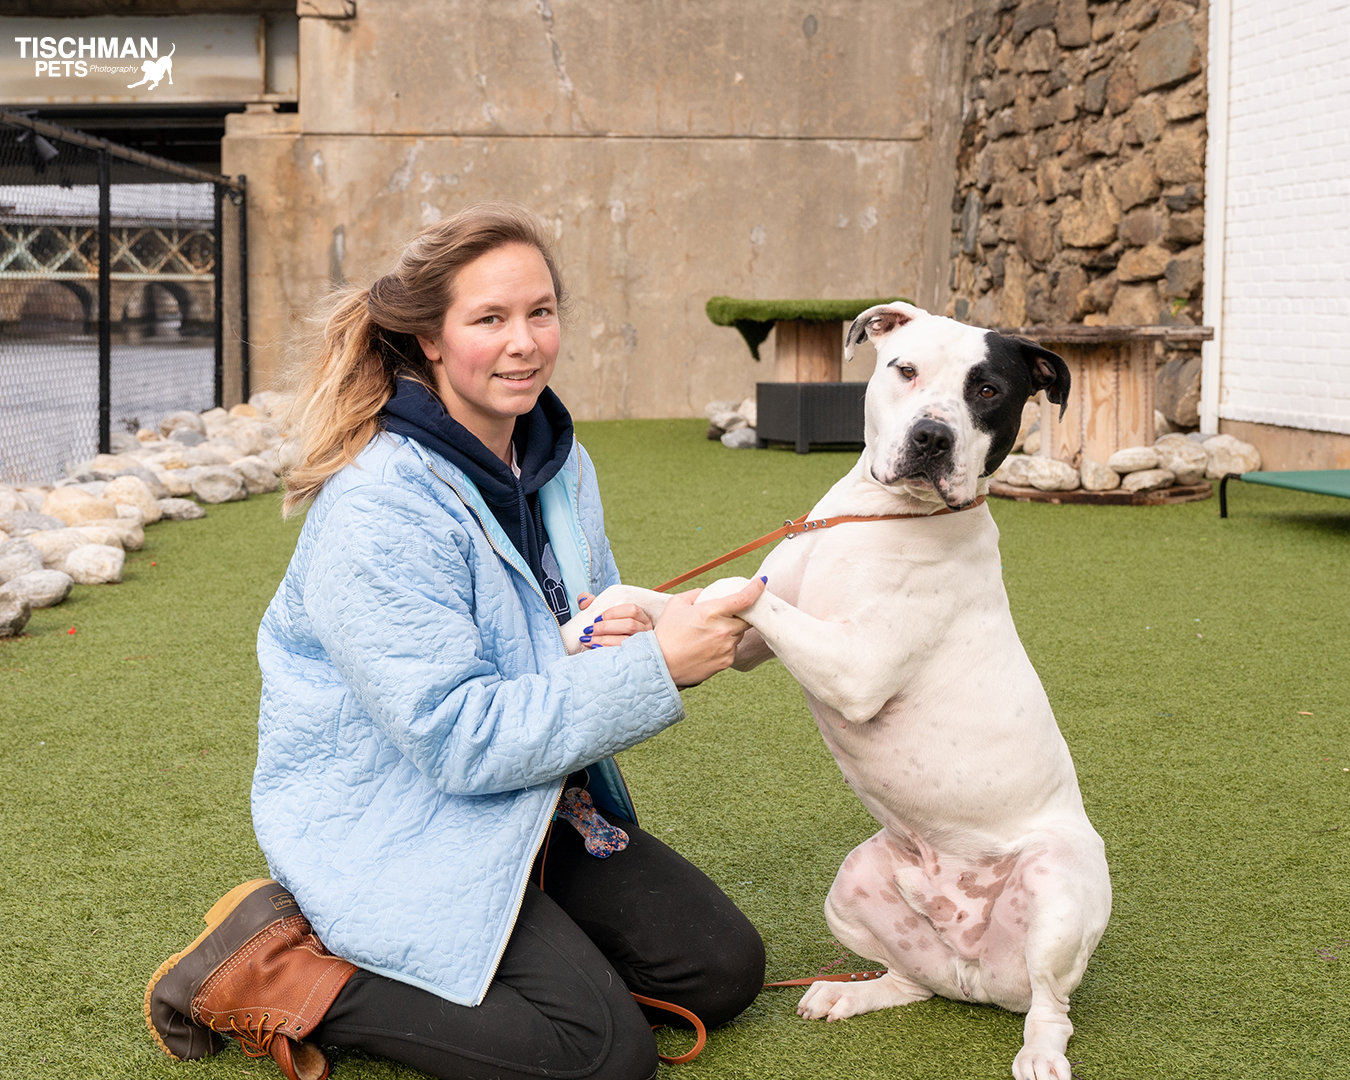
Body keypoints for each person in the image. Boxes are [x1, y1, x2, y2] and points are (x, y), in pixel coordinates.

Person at [144, 203, 768, 1080]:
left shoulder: (557, 459)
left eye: (541, 312)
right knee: (601, 1057)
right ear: (430, 341)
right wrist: (657, 669)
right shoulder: (378, 505)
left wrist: (652, 633)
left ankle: (519, 922)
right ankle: (277, 964)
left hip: (528, 801)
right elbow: (454, 735)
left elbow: (566, 635)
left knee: (720, 970)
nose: (525, 343)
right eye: (490, 319)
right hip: (402, 821)